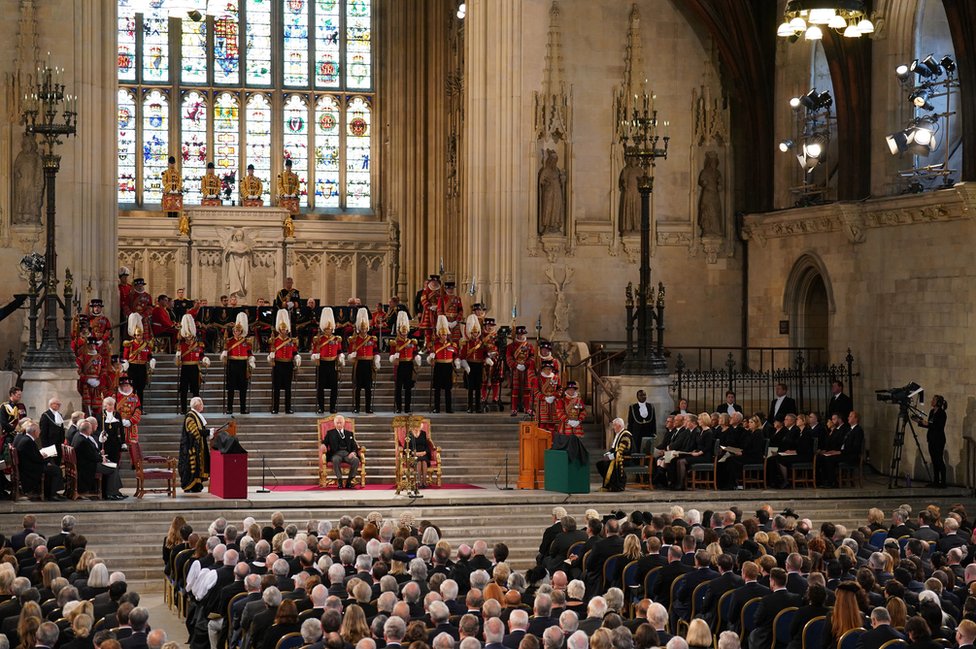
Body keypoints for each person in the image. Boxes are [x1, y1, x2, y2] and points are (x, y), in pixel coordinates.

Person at [71, 419, 125, 500]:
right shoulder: (83, 441)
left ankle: (115, 492)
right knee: (113, 468)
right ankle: (111, 493)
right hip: (88, 467)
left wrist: (99, 455)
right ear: (88, 430)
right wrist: (101, 458)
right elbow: (92, 457)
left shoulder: (78, 436)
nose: (91, 430)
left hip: (86, 463)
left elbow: (90, 453)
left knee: (113, 466)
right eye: (90, 428)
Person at [15, 421, 65, 500]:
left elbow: (33, 456)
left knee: (52, 466)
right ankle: (53, 494)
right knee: (56, 470)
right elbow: (36, 459)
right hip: (30, 470)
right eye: (39, 431)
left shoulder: (26, 439)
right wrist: (45, 460)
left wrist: (43, 458)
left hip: (29, 466)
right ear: (34, 432)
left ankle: (49, 492)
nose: (40, 432)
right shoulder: (28, 441)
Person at [311, 308, 345, 414]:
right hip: (322, 364)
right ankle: (321, 407)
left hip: (333, 364)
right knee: (320, 387)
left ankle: (332, 407)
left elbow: (339, 350)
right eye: (327, 328)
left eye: (330, 328)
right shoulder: (319, 339)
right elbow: (314, 352)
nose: (328, 330)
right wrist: (315, 356)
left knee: (333, 388)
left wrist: (341, 357)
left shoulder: (336, 339)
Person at [267, 309, 301, 415]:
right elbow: (271, 352)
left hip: (288, 365)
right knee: (276, 388)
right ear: (279, 330)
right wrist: (271, 356)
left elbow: (294, 352)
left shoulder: (291, 341)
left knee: (288, 388)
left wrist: (297, 357)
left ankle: (288, 408)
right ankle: (275, 408)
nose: (284, 331)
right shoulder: (274, 340)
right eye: (282, 329)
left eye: (285, 329)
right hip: (278, 364)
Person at [348, 308, 380, 414]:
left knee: (368, 388)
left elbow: (375, 351)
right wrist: (352, 355)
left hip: (368, 364)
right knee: (358, 387)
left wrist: (376, 359)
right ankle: (357, 407)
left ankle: (368, 407)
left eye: (365, 328)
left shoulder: (372, 339)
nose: (363, 330)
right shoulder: (355, 339)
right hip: (359, 364)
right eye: (362, 328)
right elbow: (350, 352)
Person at [175, 315, 209, 415]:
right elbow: (178, 362)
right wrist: (177, 356)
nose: (189, 339)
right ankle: (183, 409)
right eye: (187, 337)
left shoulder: (198, 345)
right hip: (185, 368)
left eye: (190, 337)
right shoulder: (181, 345)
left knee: (195, 390)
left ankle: (196, 409)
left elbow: (201, 355)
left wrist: (205, 359)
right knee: (184, 390)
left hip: (195, 368)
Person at [222, 313, 255, 415]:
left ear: (241, 331)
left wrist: (251, 360)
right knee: (231, 388)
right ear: (233, 331)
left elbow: (249, 353)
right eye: (236, 331)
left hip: (242, 365)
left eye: (239, 331)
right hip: (232, 365)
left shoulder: (246, 342)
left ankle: (243, 408)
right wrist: (224, 354)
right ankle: (229, 408)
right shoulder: (229, 341)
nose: (237, 332)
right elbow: (225, 352)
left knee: (243, 388)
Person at [389, 312, 420, 414]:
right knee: (398, 388)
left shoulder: (411, 342)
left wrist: (417, 357)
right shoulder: (395, 342)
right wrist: (394, 357)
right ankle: (399, 407)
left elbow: (415, 352)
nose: (405, 333)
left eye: (406, 332)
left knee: (408, 388)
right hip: (399, 365)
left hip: (409, 365)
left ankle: (407, 407)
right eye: (403, 332)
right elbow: (391, 356)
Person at [122, 313, 155, 408]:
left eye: (141, 335)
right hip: (133, 367)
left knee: (141, 388)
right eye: (138, 335)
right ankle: (131, 406)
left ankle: (140, 407)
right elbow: (125, 356)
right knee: (133, 388)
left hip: (142, 367)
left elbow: (149, 355)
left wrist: (151, 359)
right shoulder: (130, 344)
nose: (140, 337)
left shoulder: (146, 345)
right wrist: (125, 363)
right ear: (135, 336)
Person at [179, 397, 211, 493]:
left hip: (197, 446)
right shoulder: (190, 416)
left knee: (197, 467)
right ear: (197, 405)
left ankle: (197, 485)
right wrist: (208, 432)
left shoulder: (195, 415)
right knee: (191, 468)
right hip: (190, 448)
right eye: (202, 404)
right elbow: (195, 432)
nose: (203, 406)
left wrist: (208, 432)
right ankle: (190, 486)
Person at [428, 316, 460, 414]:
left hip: (448, 367)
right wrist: (431, 357)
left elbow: (455, 355)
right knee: (437, 389)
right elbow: (431, 357)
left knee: (448, 389)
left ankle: (448, 408)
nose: (444, 336)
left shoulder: (452, 345)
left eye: (445, 334)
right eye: (442, 335)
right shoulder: (435, 345)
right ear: (439, 335)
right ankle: (436, 408)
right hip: (439, 366)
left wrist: (457, 361)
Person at [320, 415, 360, 489]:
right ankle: (340, 480)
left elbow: (354, 445)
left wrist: (353, 452)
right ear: (334, 424)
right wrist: (323, 445)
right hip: (336, 454)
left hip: (347, 454)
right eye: (337, 423)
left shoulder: (349, 433)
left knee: (356, 460)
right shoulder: (330, 433)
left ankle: (349, 481)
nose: (339, 424)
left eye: (340, 423)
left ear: (343, 423)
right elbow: (324, 442)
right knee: (335, 459)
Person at [459, 315, 488, 414]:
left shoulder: (482, 344)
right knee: (471, 388)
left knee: (478, 388)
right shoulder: (467, 344)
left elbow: (485, 354)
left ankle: (478, 407)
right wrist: (465, 366)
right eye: (473, 332)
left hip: (479, 366)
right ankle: (470, 406)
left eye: (476, 332)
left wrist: (487, 359)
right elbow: (462, 356)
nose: (475, 334)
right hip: (470, 366)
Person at [917, 395, 947, 488]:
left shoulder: (942, 413)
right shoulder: (931, 412)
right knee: (934, 461)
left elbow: (939, 426)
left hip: (938, 439)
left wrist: (928, 423)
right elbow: (930, 425)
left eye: (934, 400)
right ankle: (936, 481)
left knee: (939, 460)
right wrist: (920, 422)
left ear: (938, 402)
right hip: (931, 439)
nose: (932, 401)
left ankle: (943, 482)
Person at [596, 418, 632, 492]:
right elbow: (614, 448)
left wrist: (610, 457)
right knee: (600, 464)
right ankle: (610, 484)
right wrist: (607, 454)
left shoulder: (625, 435)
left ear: (619, 425)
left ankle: (617, 486)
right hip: (618, 456)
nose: (613, 427)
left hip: (625, 458)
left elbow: (621, 451)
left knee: (607, 464)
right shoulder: (619, 434)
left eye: (614, 425)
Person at [506, 326, 536, 417]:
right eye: (519, 334)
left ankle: (528, 408)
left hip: (526, 370)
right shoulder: (511, 346)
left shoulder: (529, 346)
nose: (521, 336)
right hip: (515, 370)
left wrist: (526, 364)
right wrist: (515, 365)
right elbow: (508, 357)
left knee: (527, 390)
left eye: (522, 334)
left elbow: (532, 357)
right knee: (515, 390)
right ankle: (514, 409)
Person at [76, 337, 105, 417]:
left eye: (94, 345)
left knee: (97, 405)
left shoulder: (100, 357)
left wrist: (100, 380)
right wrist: (87, 380)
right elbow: (78, 371)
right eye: (90, 345)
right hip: (86, 384)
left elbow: (104, 370)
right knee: (86, 405)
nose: (92, 347)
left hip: (97, 385)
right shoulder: (81, 358)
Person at [480, 318, 504, 412]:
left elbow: (500, 348)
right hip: (485, 360)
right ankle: (483, 397)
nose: (490, 327)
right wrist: (486, 356)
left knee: (496, 379)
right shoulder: (481, 336)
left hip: (495, 359)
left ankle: (495, 397)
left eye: (491, 326)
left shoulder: (497, 336)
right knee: (484, 380)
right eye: (488, 325)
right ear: (485, 326)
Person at [533, 361, 561, 434]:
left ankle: (553, 442)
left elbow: (560, 389)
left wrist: (555, 396)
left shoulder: (556, 378)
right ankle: (542, 443)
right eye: (546, 369)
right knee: (542, 424)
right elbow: (536, 391)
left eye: (549, 369)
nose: (548, 371)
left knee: (552, 424)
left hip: (554, 404)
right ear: (542, 370)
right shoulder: (538, 379)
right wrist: (544, 397)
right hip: (542, 404)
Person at [115, 374, 142, 447]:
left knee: (133, 447)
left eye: (127, 386)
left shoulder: (135, 397)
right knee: (119, 446)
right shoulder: (115, 397)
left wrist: (131, 421)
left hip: (131, 426)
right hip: (119, 426)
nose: (126, 388)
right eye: (124, 386)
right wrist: (119, 420)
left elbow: (138, 411)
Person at [97, 397, 125, 464]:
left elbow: (121, 428)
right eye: (109, 405)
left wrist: (123, 442)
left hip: (115, 442)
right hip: (105, 442)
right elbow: (97, 429)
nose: (111, 407)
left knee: (115, 461)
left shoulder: (117, 415)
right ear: (105, 406)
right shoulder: (100, 415)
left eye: (112, 405)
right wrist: (100, 435)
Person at [418, 274, 443, 347]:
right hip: (428, 312)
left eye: (436, 281)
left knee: (439, 329)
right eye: (433, 281)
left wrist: (438, 306)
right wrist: (429, 306)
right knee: (428, 330)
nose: (434, 283)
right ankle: (428, 346)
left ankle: (437, 345)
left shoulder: (441, 290)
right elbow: (423, 299)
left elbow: (443, 300)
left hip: (438, 311)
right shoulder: (426, 290)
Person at [39, 397, 66, 466]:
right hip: (49, 444)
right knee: (51, 464)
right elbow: (43, 433)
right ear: (51, 404)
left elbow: (62, 429)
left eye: (59, 404)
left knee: (58, 463)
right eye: (57, 404)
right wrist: (45, 446)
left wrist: (62, 441)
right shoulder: (45, 415)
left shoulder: (59, 415)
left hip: (59, 444)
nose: (59, 406)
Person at [408, 421, 433, 488]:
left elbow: (427, 445)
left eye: (419, 426)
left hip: (423, 454)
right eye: (416, 426)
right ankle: (419, 482)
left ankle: (424, 482)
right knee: (418, 462)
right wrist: (414, 453)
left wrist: (425, 452)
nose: (418, 428)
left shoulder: (423, 433)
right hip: (414, 455)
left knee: (424, 461)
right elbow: (406, 447)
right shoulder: (409, 434)